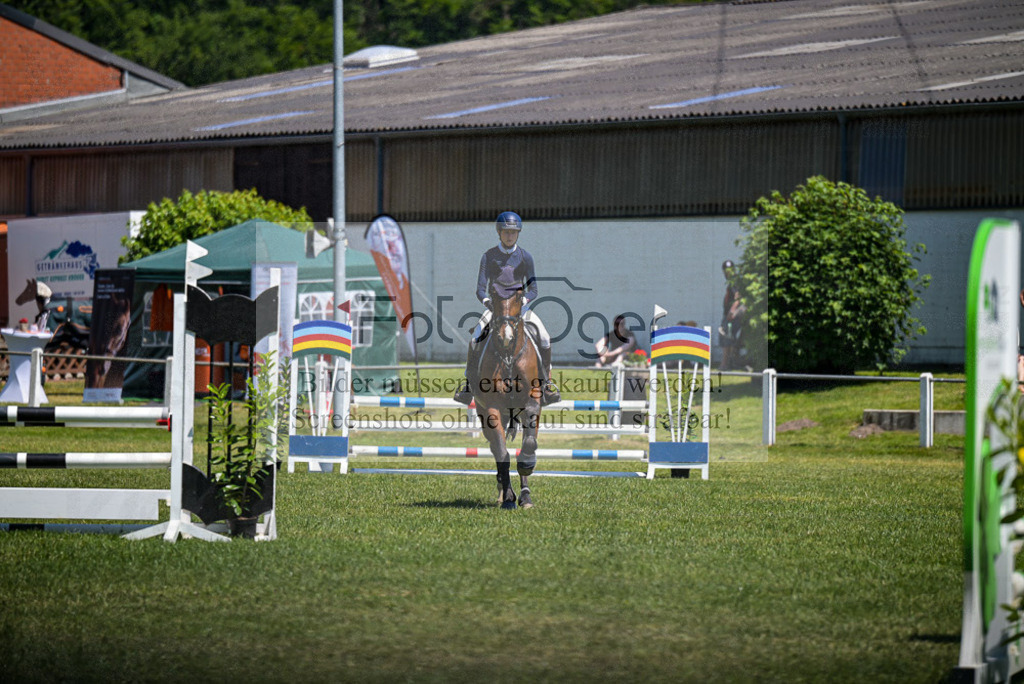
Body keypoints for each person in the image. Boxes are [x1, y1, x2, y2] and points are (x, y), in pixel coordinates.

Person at [454, 211, 561, 406]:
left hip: (518, 308)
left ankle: (546, 385)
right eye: (506, 232)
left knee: (544, 336)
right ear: (499, 232)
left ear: (518, 234)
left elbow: (534, 289)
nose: (509, 236)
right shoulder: (489, 256)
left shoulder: (525, 257)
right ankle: (468, 385)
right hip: (495, 308)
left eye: (513, 232)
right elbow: (480, 288)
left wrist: (523, 302)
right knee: (475, 336)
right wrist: (488, 303)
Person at [719, 259, 746, 370]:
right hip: (730, 315)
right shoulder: (733, 282)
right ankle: (732, 362)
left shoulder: (734, 282)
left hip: (731, 316)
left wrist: (732, 312)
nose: (728, 272)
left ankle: (725, 364)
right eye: (726, 270)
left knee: (726, 337)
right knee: (731, 338)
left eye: (730, 270)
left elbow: (737, 298)